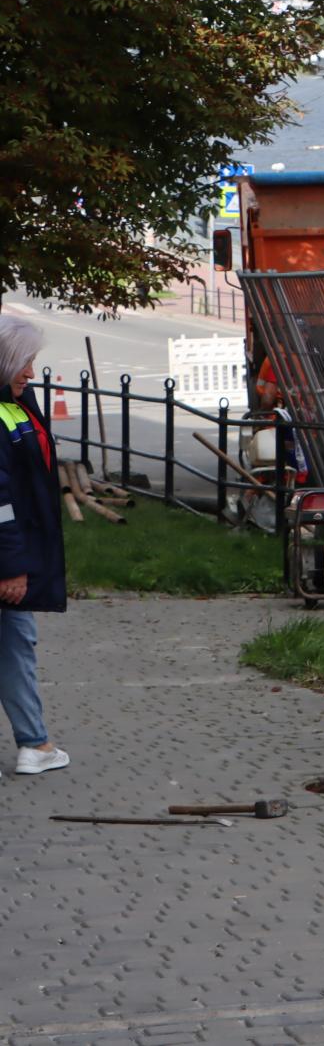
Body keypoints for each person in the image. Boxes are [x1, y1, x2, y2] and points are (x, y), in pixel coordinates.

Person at [0, 316, 69, 776]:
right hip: (8, 558)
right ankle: (34, 743)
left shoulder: (15, 405)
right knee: (15, 646)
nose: (30, 372)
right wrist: (11, 566)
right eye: (23, 362)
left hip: (14, 552)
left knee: (15, 645)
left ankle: (35, 743)